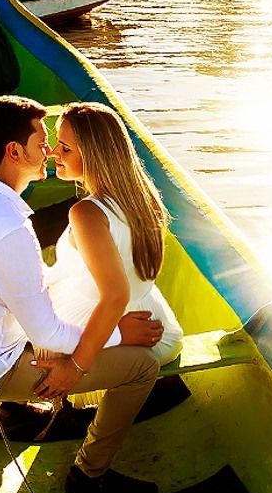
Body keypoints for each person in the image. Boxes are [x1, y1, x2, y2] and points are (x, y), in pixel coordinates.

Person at [0, 95, 166, 493]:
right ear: (15, 151)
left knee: (54, 308)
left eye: (58, 145)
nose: (49, 151)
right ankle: (88, 474)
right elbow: (45, 329)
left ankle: (10, 413)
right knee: (142, 367)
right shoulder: (13, 229)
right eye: (43, 142)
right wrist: (114, 338)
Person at [47, 102, 184, 367]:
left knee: (13, 327)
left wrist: (75, 366)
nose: (54, 154)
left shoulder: (86, 213)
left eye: (65, 148)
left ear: (93, 156)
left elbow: (115, 296)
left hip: (120, 330)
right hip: (158, 327)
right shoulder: (145, 200)